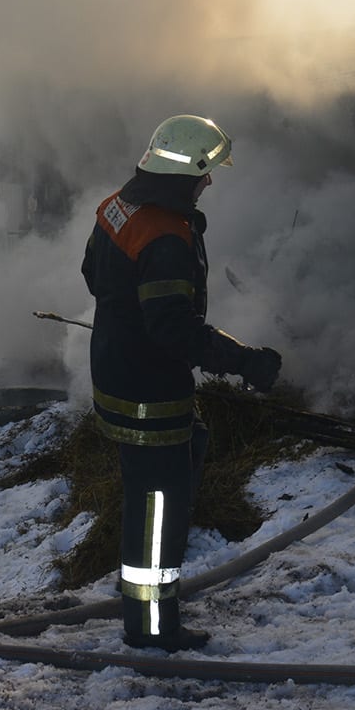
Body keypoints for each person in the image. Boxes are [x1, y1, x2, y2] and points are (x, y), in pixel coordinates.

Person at [81, 114, 283, 651]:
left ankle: (144, 607)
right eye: (207, 172)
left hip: (117, 372)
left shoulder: (118, 207)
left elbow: (91, 274)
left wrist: (127, 314)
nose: (210, 182)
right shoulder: (166, 236)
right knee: (157, 507)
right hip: (150, 392)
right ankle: (150, 628)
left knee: (167, 478)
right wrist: (246, 362)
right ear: (187, 171)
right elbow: (175, 330)